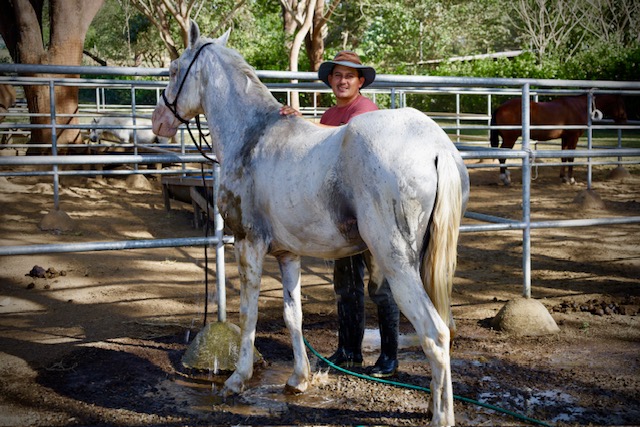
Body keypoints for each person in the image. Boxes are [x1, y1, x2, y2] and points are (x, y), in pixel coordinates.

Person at [280, 51, 400, 378]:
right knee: (346, 286)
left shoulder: (366, 112)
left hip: (372, 211)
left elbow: (346, 139)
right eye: (337, 75)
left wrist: (303, 121)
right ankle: (349, 351)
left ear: (360, 81)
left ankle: (389, 355)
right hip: (342, 216)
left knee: (380, 285)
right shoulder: (330, 113)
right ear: (331, 80)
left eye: (349, 75)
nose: (342, 81)